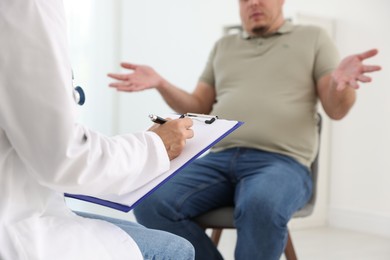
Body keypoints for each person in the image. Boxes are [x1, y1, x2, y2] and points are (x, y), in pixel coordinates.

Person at [108, 0, 381, 259]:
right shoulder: (224, 46)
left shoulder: (314, 38)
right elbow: (197, 106)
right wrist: (161, 83)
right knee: (150, 200)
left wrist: (339, 85)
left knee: (261, 204)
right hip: (219, 159)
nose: (253, 4)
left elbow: (336, 109)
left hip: (281, 163)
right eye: (244, 0)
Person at [0, 1, 195, 260]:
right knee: (176, 249)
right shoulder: (28, 6)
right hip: (14, 223)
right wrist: (155, 145)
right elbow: (65, 157)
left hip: (24, 202)